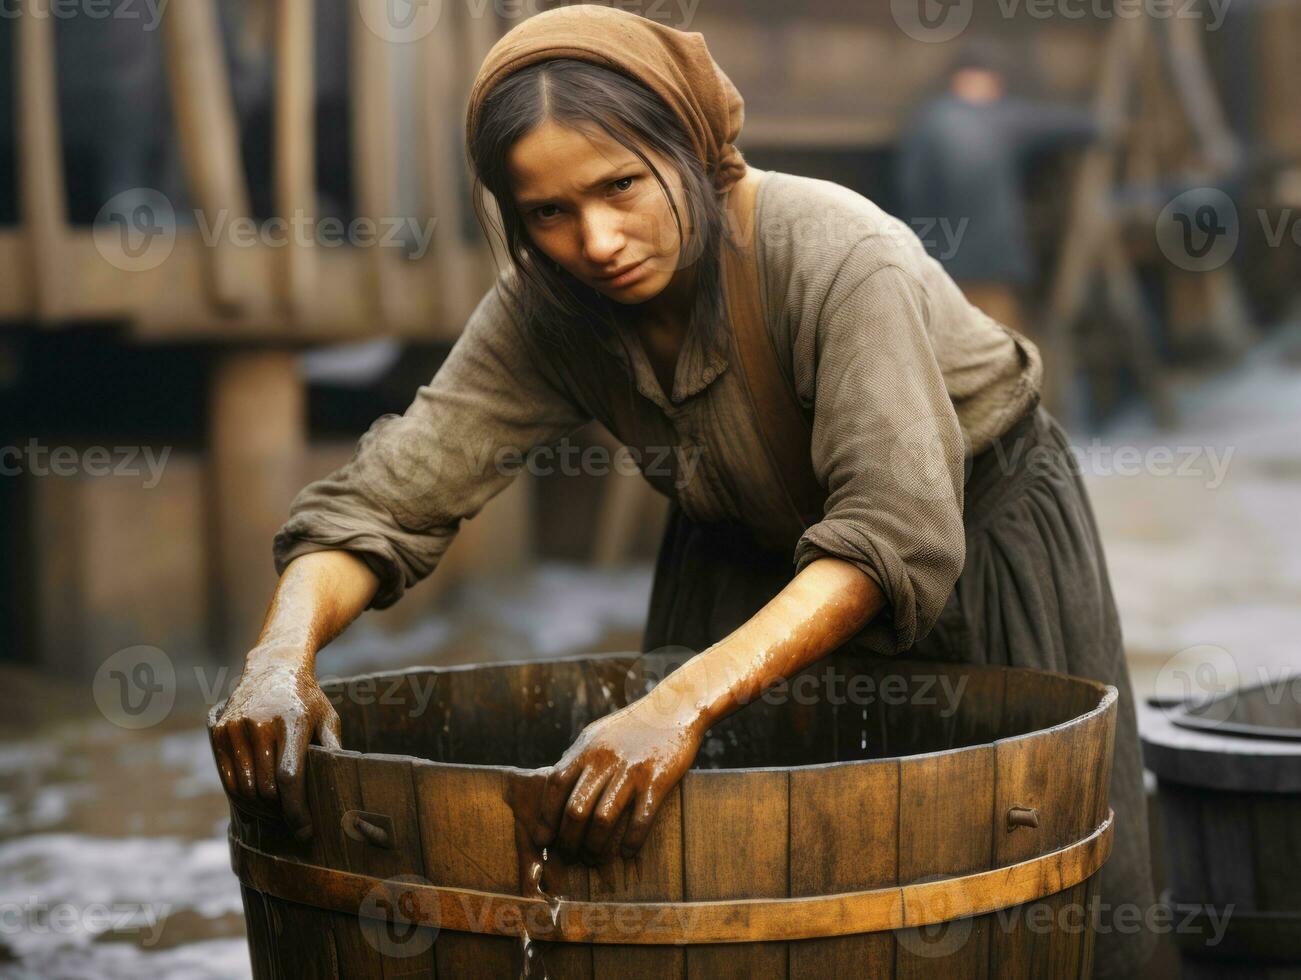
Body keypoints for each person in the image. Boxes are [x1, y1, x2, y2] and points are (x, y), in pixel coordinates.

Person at [210, 7, 1155, 976]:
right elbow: (383, 501)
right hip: (741, 546)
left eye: (622, 184)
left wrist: (678, 702)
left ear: (692, 150)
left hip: (974, 544)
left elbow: (891, 533)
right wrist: (278, 659)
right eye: (549, 212)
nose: (598, 238)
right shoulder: (546, 305)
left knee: (1021, 886)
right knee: (714, 888)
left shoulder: (834, 250)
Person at [896, 44, 1103, 340]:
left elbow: (910, 190)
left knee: (947, 349)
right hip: (994, 263)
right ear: (989, 79)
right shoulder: (1003, 117)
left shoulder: (927, 120)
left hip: (939, 264)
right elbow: (1075, 127)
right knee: (1002, 350)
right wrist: (1102, 124)